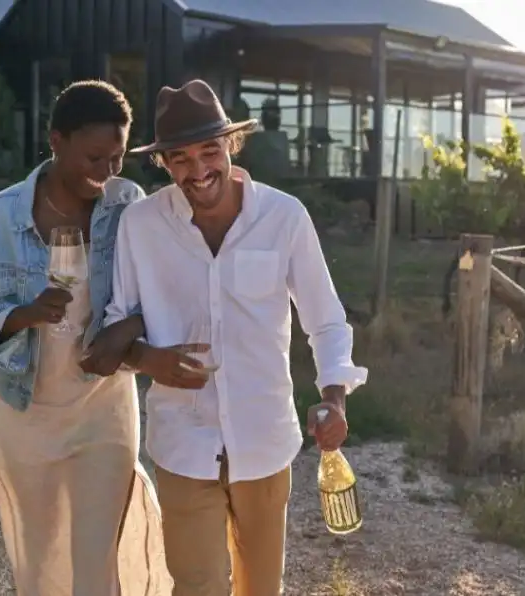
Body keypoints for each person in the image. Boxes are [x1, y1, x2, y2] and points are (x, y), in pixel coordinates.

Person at [104, 79, 369, 596]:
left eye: (210, 150)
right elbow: (118, 321)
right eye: (179, 158)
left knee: (261, 588)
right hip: (184, 441)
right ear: (163, 164)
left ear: (232, 145)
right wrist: (149, 360)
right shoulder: (141, 225)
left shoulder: (283, 217)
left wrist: (333, 399)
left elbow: (326, 319)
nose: (198, 170)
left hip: (264, 439)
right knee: (198, 586)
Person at [0, 80, 197, 595]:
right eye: (94, 157)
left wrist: (131, 330)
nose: (106, 173)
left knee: (94, 562)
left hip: (104, 411)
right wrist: (24, 315)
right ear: (55, 140)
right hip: (27, 416)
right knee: (40, 562)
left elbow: (168, 288)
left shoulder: (129, 205)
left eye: (118, 158)